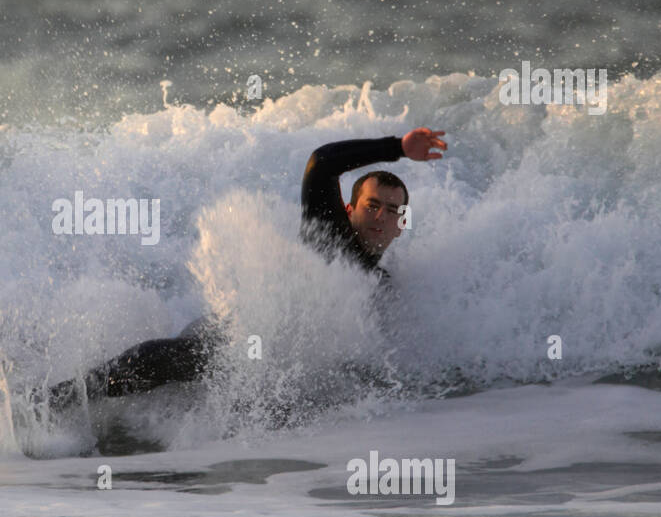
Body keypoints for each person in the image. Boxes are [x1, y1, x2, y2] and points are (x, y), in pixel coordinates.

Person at [37, 128, 447, 413]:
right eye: (372, 205)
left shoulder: (382, 286)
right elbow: (322, 163)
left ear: (402, 224)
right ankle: (52, 402)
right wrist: (396, 146)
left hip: (269, 371)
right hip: (228, 339)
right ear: (349, 209)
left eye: (392, 210)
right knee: (184, 361)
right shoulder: (330, 234)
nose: (381, 216)